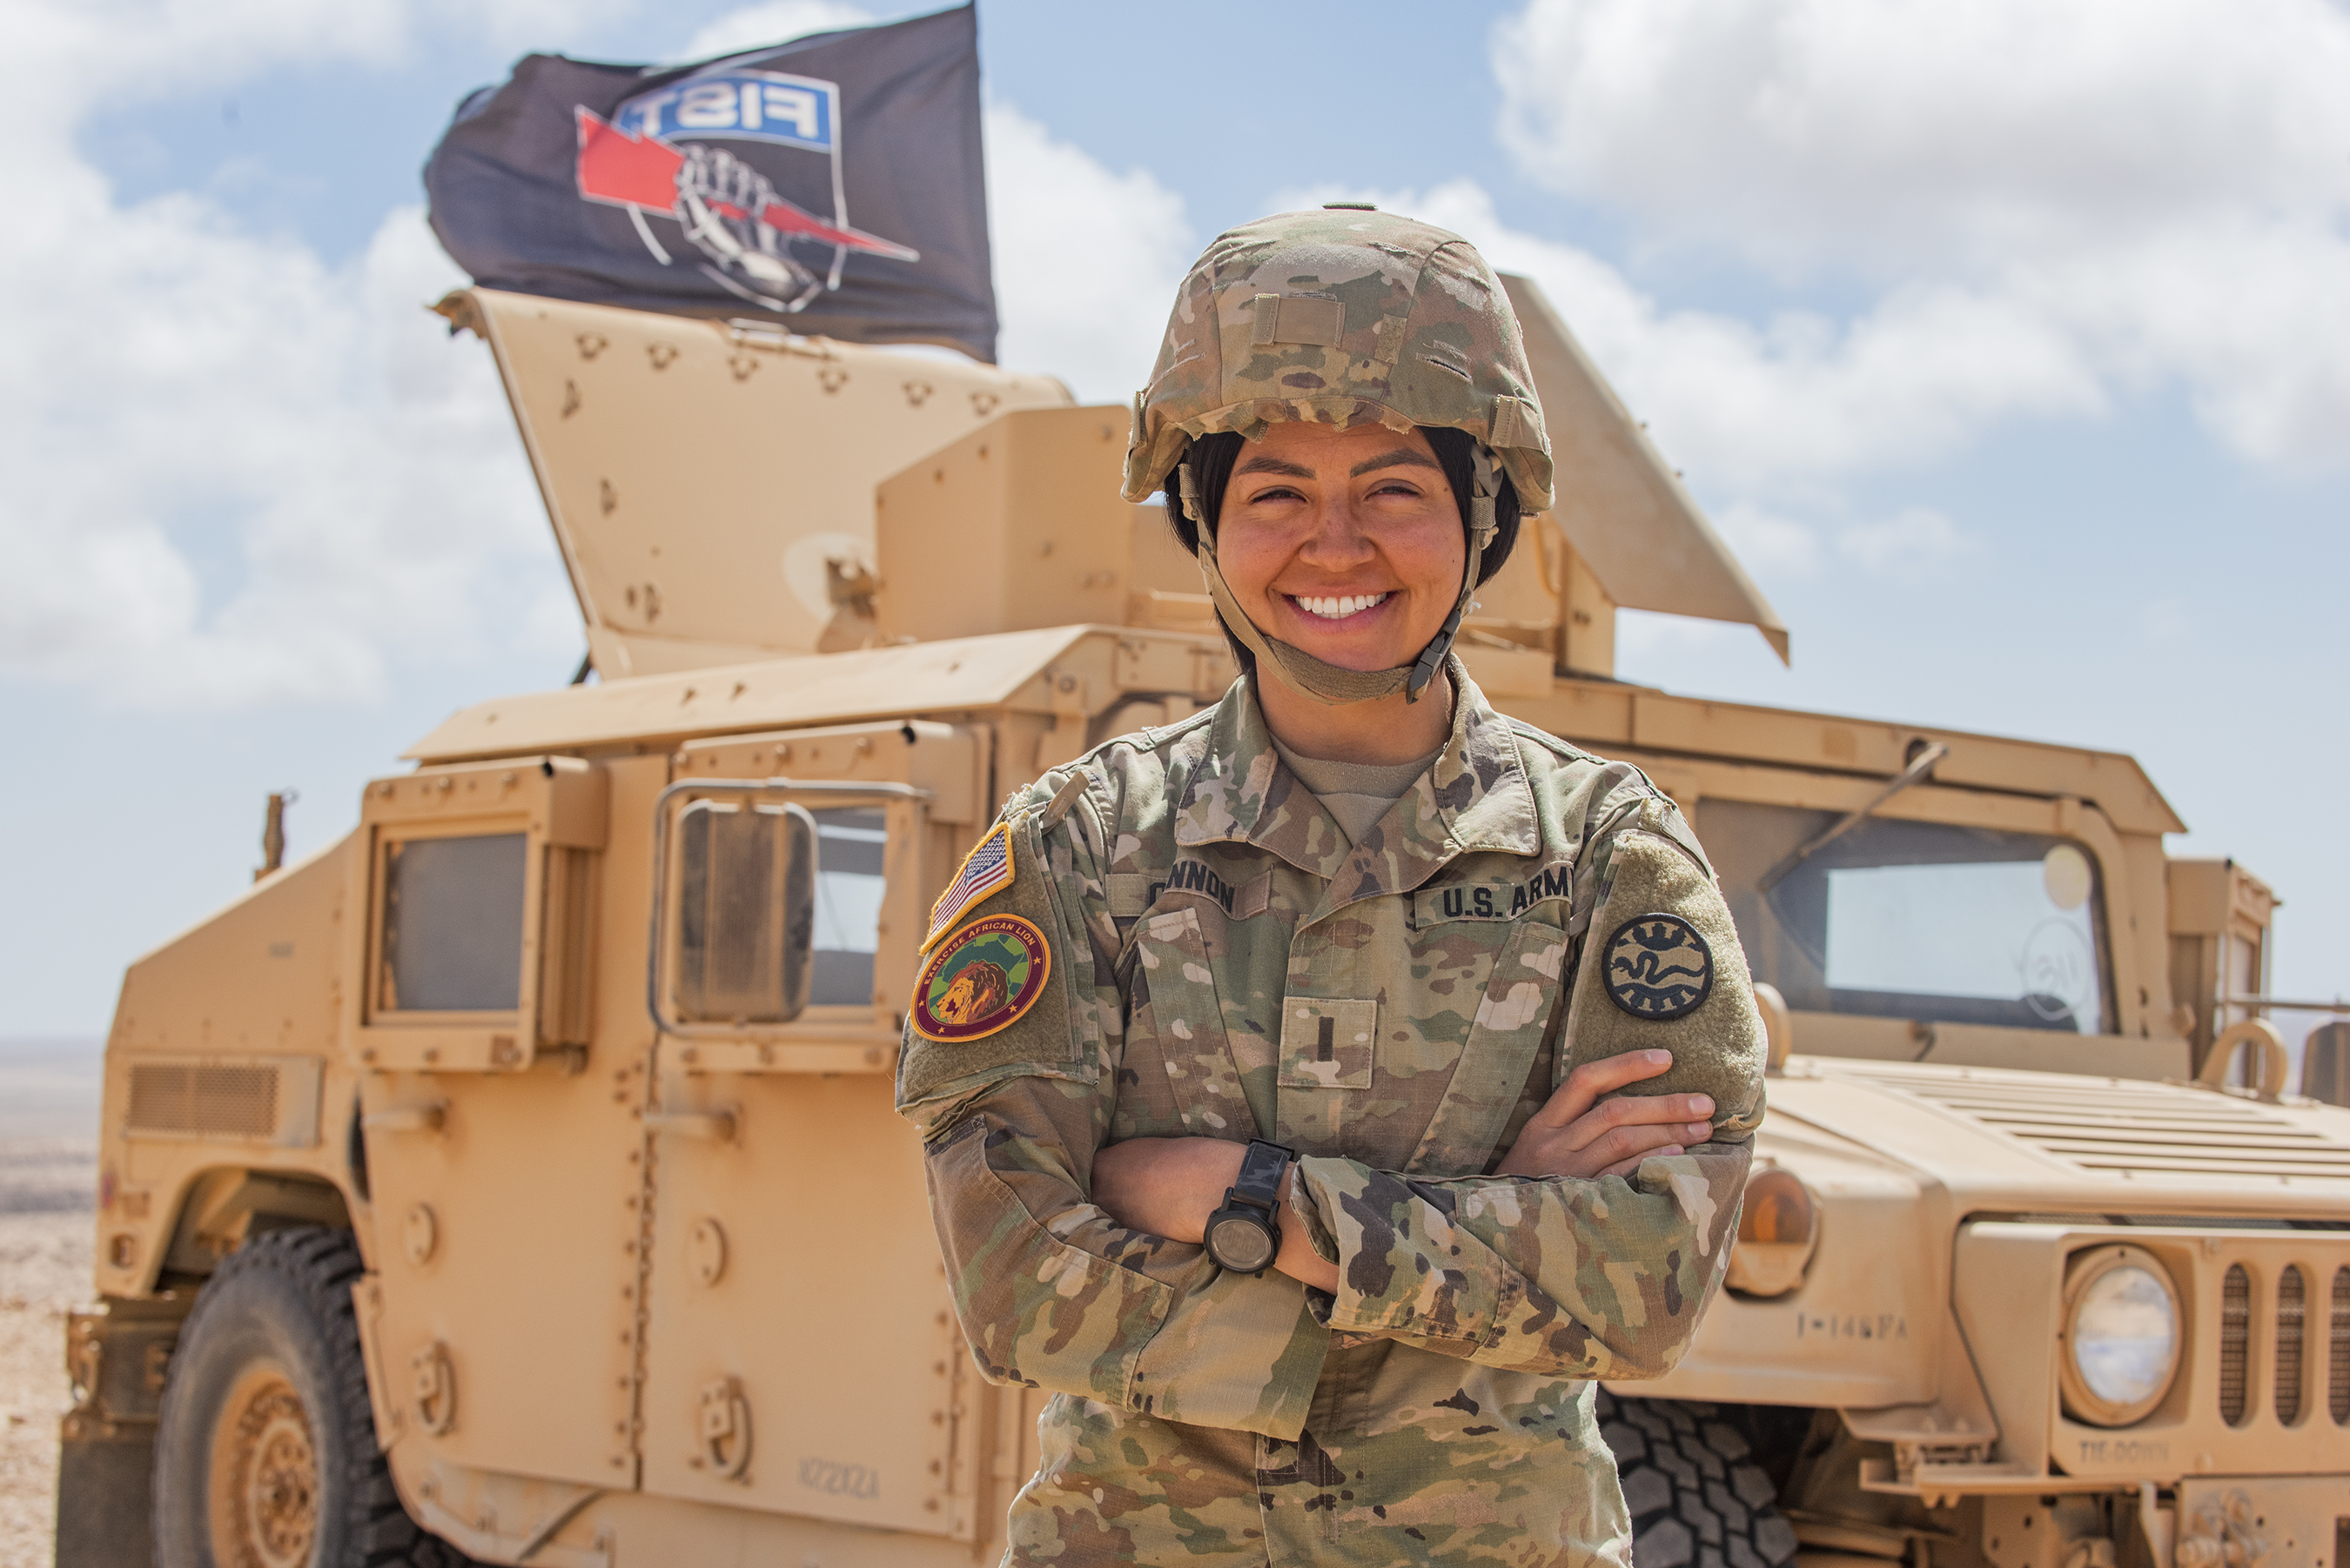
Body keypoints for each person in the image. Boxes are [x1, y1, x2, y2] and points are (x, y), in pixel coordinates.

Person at [896, 207, 1768, 1568]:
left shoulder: (1610, 857)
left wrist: (1254, 1200)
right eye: (1278, 493)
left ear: (1482, 515)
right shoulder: (1081, 845)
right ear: (1206, 520)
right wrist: (1488, 1234)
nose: (1337, 544)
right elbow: (1014, 1280)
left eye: (1396, 488)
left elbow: (1647, 1283)